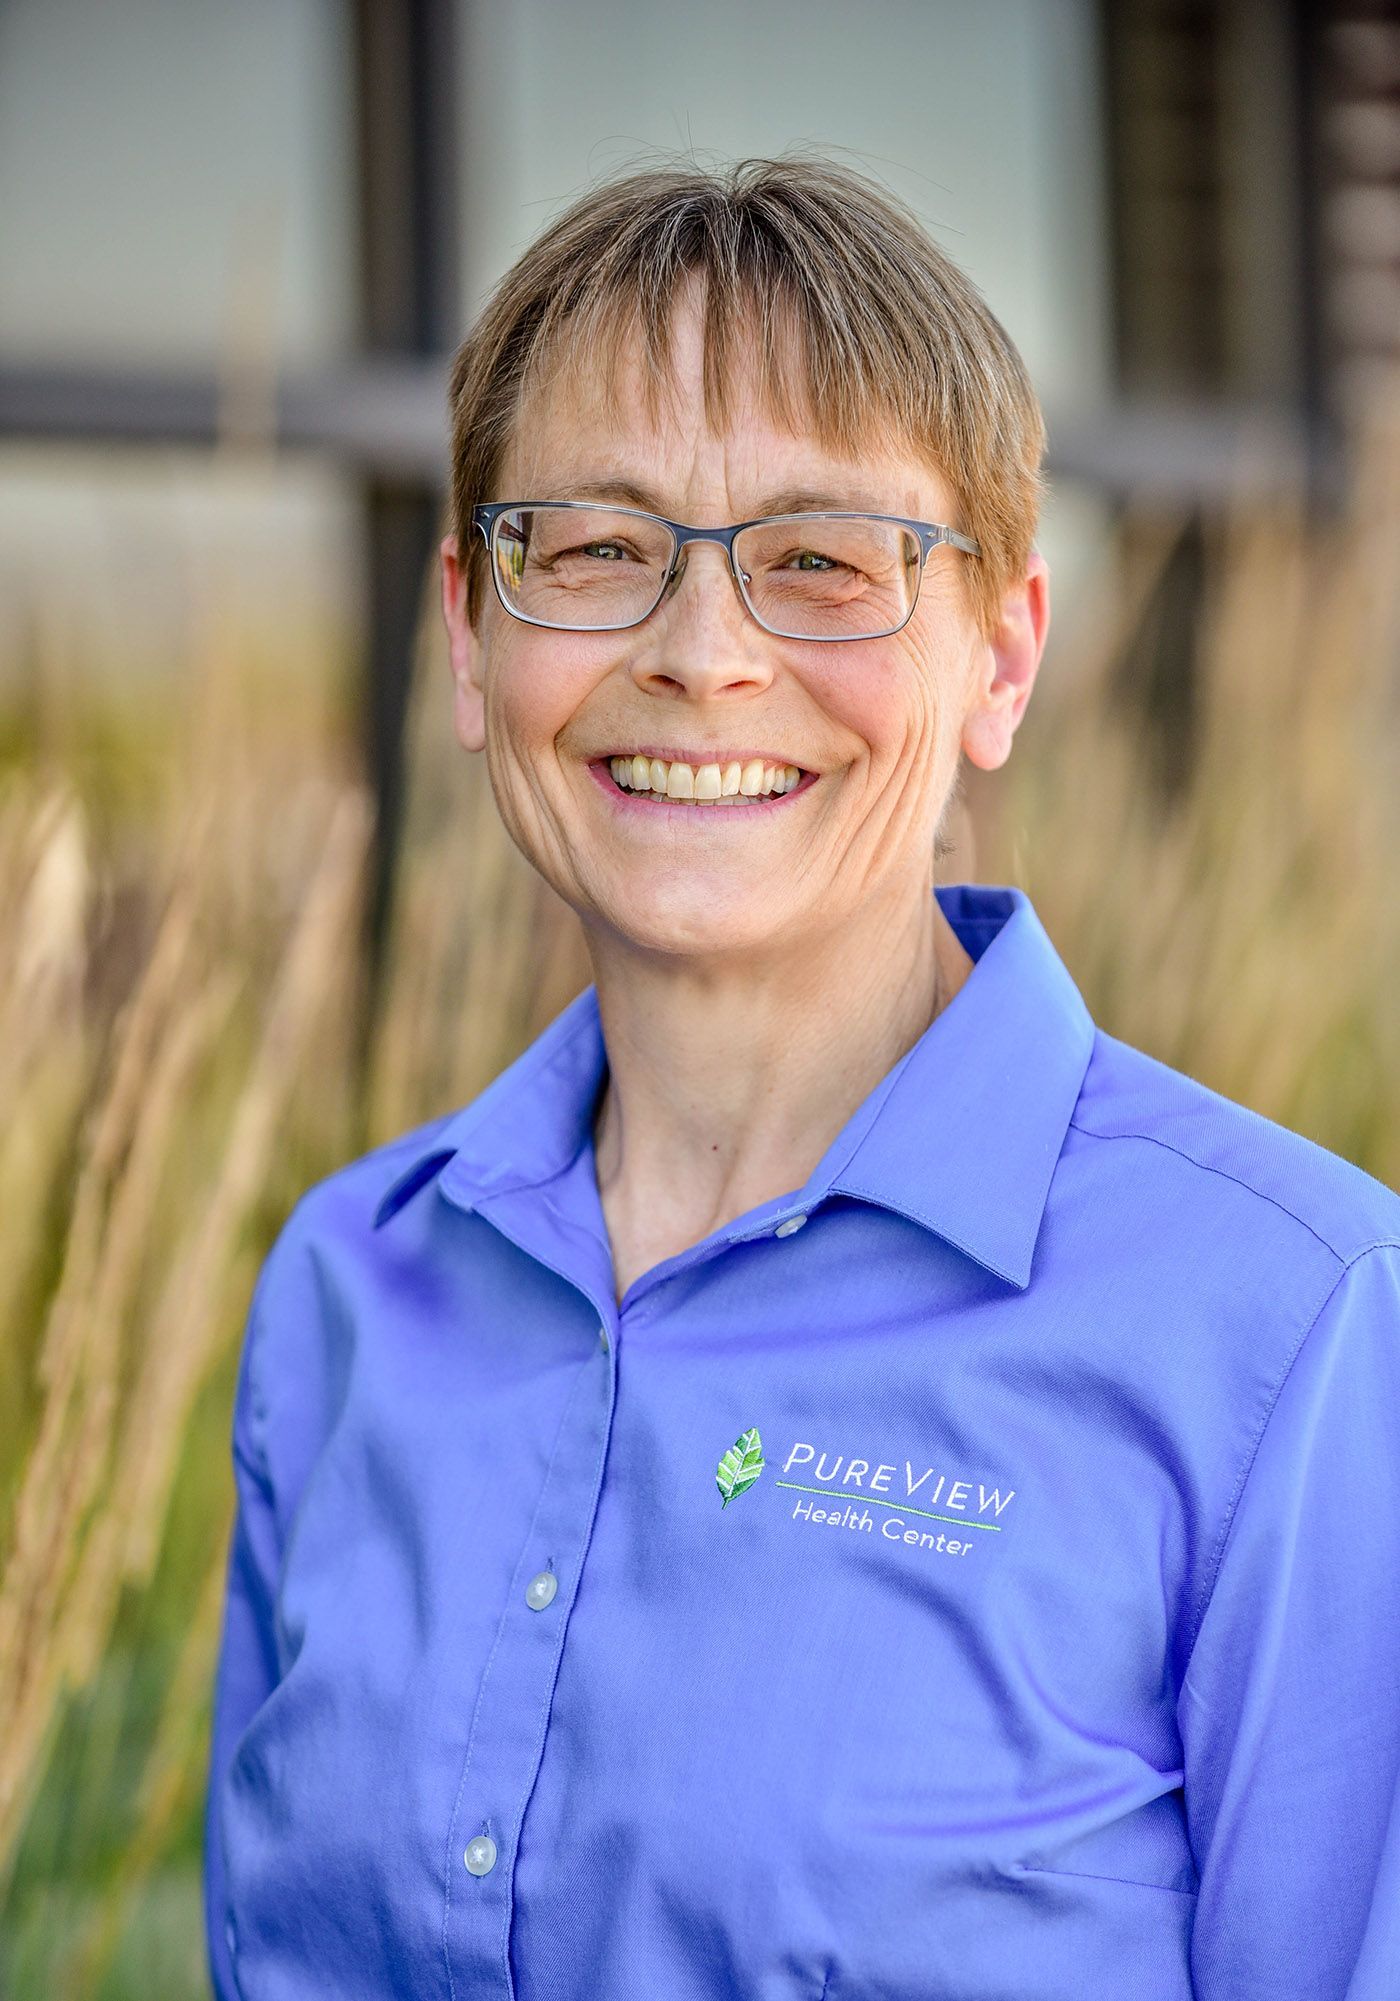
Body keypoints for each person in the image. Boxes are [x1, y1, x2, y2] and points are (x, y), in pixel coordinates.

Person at [202, 157, 1400, 2001]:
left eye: (824, 560)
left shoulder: (1300, 1331)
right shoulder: (349, 1286)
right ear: (467, 630)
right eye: (594, 548)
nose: (701, 656)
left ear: (999, 655)